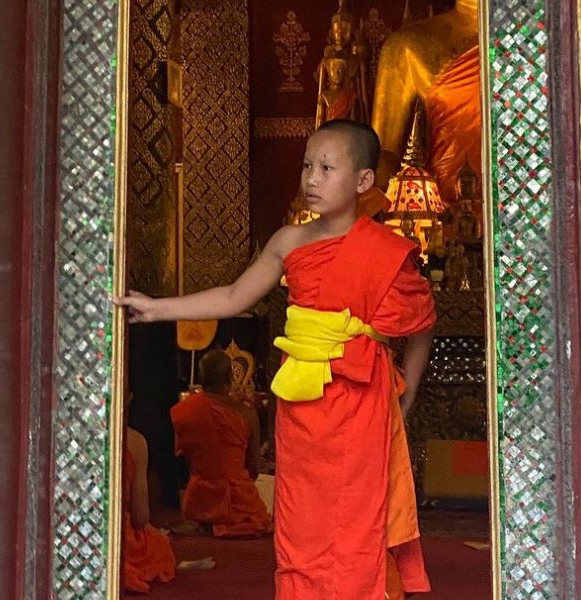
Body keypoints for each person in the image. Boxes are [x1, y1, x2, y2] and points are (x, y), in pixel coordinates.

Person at [117, 119, 434, 598]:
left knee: (354, 523)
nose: (311, 178)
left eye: (327, 168)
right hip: (302, 406)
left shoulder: (386, 252)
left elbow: (421, 326)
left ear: (363, 181)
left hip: (361, 402)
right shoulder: (289, 241)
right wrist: (156, 308)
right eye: (307, 165)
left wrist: (402, 401)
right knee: (301, 521)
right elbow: (232, 296)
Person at [170, 350, 272, 538]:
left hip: (198, 502)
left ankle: (208, 525)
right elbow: (254, 467)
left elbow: (180, 456)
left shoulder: (183, 411)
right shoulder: (247, 415)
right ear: (230, 377)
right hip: (240, 504)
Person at [123, 425, 178, 594]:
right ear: (128, 398)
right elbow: (140, 518)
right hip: (118, 536)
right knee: (159, 543)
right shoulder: (134, 441)